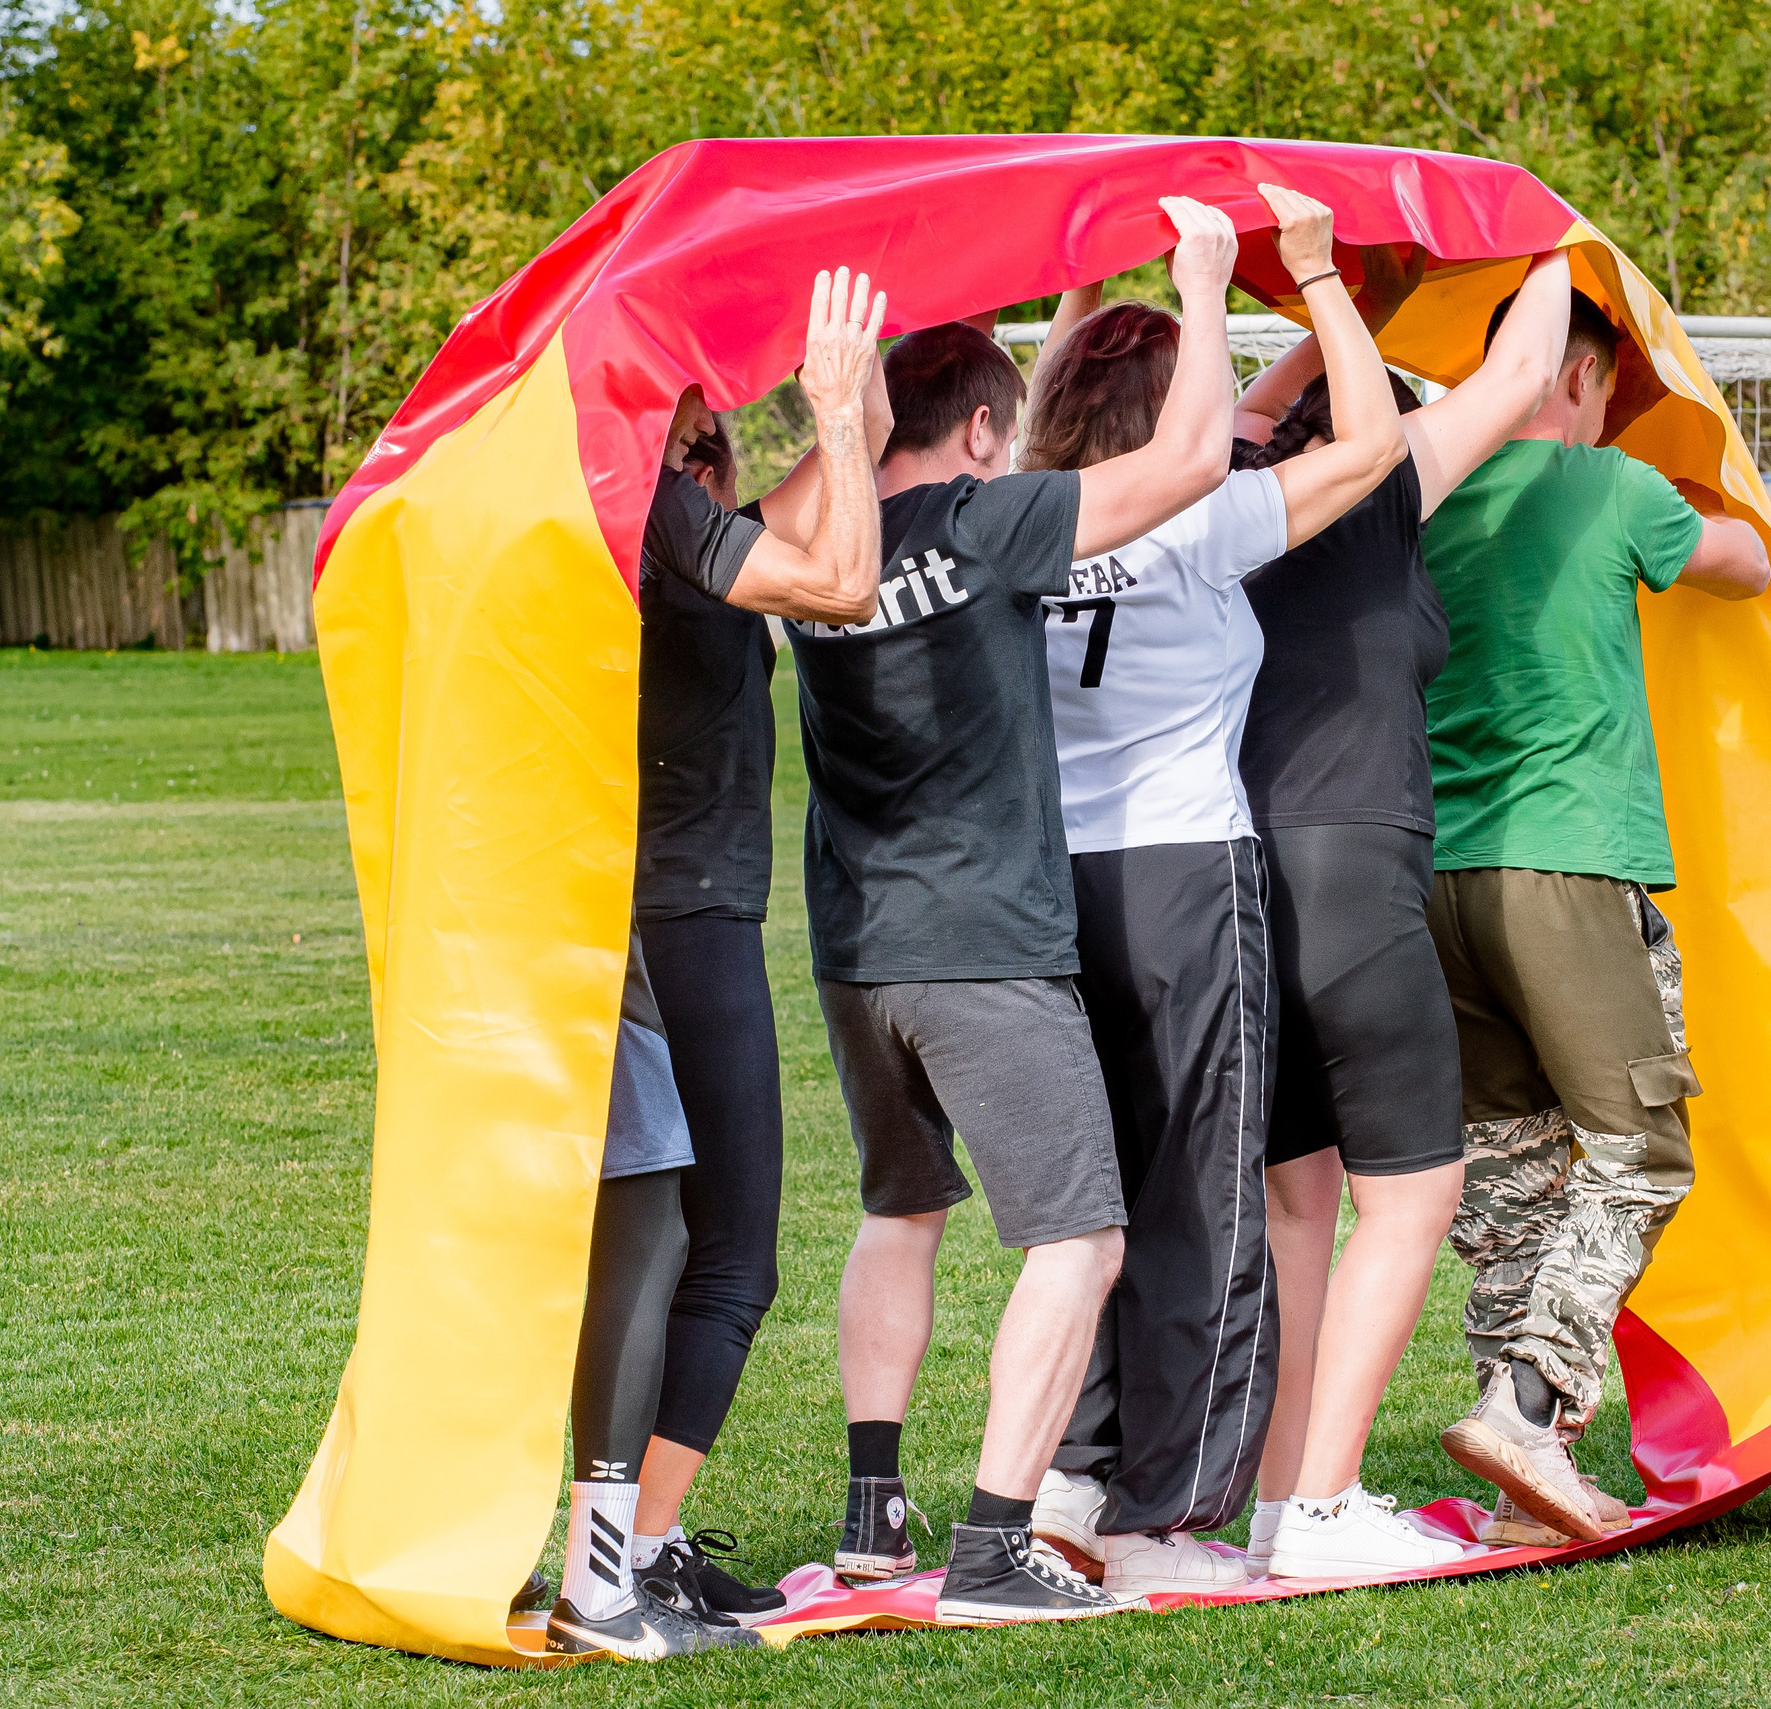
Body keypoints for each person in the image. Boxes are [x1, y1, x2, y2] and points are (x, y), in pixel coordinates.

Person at [762, 197, 1245, 1627]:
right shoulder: (985, 522)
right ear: (985, 433)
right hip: (983, 948)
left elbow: (846, 468)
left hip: (857, 952)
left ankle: (871, 1515)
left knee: (902, 1208)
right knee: (1079, 1240)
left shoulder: (804, 541)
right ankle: (993, 1544)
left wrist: (840, 405)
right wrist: (1203, 286)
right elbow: (1195, 456)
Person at [1014, 185, 1409, 1597]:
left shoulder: (1019, 518)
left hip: (1054, 892)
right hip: (1188, 878)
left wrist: (1083, 288)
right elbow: (1366, 444)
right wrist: (1308, 281)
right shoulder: (1197, 523)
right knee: (1207, 1196)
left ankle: (1070, 1471)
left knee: (1095, 1190)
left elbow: (1068, 400)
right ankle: (1166, 1505)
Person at [545, 266, 892, 1662]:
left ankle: (645, 1547)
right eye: (697, 401)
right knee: (710, 1249)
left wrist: (852, 400)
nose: (716, 420)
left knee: (701, 1248)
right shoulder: (653, 513)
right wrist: (847, 426)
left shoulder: (682, 521)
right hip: (675, 921)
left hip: (682, 912)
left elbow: (795, 523)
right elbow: (845, 581)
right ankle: (605, 1570)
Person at [1212, 247, 1577, 1577]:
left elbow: (1259, 404)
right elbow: (1528, 365)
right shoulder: (1382, 482)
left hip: (1243, 879)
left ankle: (1276, 1507)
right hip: (1353, 871)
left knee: (1301, 1205)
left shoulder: (1232, 490)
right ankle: (1320, 1510)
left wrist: (1336, 308)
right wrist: (1556, 242)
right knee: (1413, 1197)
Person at [1421, 287, 1771, 1547]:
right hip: (1563, 865)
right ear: (1571, 374)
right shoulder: (1611, 488)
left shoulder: (1425, 494)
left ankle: (1520, 1472)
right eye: (1611, 387)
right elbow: (1750, 568)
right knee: (1640, 1150)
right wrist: (1699, 478)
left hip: (1434, 877)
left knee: (1512, 1174)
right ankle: (1529, 1403)